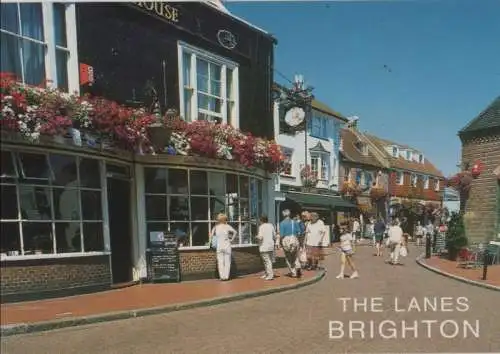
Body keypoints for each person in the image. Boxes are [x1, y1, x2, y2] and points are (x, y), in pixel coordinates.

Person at [210, 213, 237, 281]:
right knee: (227, 261)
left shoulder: (215, 227)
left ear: (218, 219)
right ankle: (226, 276)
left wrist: (213, 240)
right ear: (225, 219)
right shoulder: (227, 226)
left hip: (219, 246)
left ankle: (222, 277)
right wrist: (231, 240)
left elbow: (211, 236)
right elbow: (235, 232)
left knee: (220, 262)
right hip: (227, 245)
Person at [278, 209, 302, 278]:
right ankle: (298, 266)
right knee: (295, 256)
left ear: (283, 215)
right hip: (295, 240)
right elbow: (299, 232)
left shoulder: (282, 223)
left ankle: (293, 272)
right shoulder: (294, 222)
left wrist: (280, 243)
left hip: (287, 241)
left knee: (288, 257)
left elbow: (282, 235)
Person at [256, 215, 276, 280]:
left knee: (267, 261)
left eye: (259, 220)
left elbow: (260, 237)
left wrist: (256, 237)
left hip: (264, 246)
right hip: (271, 245)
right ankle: (267, 273)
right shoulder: (271, 226)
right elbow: (274, 236)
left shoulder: (261, 227)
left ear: (261, 220)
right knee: (268, 261)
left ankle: (270, 275)